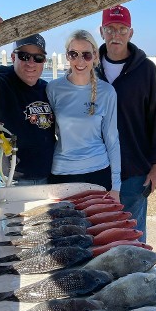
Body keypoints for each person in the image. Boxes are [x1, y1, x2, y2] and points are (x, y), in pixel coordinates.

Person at [97, 5, 156, 241]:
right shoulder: (89, 67)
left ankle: (138, 277)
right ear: (102, 31)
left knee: (132, 238)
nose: (115, 35)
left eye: (121, 29)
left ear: (131, 33)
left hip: (134, 172)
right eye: (110, 29)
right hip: (96, 170)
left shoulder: (146, 70)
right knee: (98, 236)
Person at [0, 14, 55, 185]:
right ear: (13, 58)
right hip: (12, 181)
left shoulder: (48, 89)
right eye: (24, 56)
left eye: (38, 58)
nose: (31, 63)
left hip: (49, 178)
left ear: (44, 62)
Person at [46, 29, 121, 201]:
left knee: (97, 228)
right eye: (74, 54)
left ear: (95, 56)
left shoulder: (107, 92)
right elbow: (46, 133)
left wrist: (116, 186)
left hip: (98, 173)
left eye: (86, 55)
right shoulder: (53, 89)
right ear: (67, 56)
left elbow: (112, 139)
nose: (80, 61)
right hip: (61, 173)